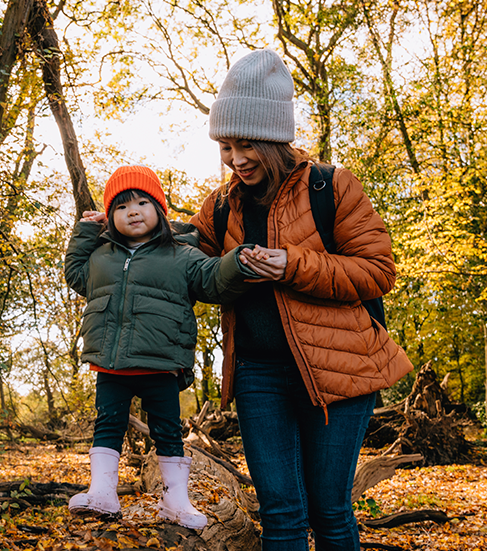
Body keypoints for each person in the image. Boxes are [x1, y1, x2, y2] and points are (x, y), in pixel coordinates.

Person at [188, 49, 414, 550]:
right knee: (281, 515)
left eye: (246, 144)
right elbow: (187, 262)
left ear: (274, 138)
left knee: (330, 510)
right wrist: (125, 226)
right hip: (258, 376)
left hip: (340, 373)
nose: (236, 158)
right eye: (226, 146)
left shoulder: (330, 187)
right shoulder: (223, 205)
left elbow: (377, 271)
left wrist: (294, 265)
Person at [63, 165, 252, 529]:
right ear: (109, 217)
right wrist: (87, 230)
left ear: (160, 209)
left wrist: (238, 261)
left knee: (167, 429)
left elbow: (212, 281)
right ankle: (102, 491)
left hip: (161, 363)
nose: (132, 211)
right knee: (108, 424)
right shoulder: (101, 256)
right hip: (111, 364)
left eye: (141, 202)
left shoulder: (181, 253)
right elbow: (75, 274)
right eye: (120, 206)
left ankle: (176, 501)